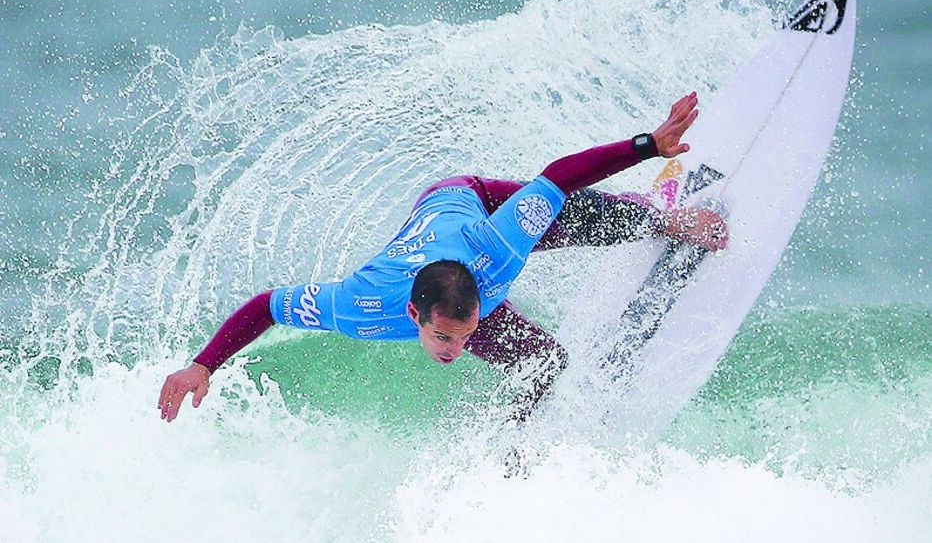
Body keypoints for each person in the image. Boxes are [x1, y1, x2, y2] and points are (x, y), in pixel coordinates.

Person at [158, 92, 726, 424]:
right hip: (440, 222)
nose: (454, 350)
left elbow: (557, 176)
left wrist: (648, 145)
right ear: (415, 319)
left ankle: (661, 217)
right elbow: (268, 306)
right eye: (445, 339)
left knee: (570, 216)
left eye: (461, 336)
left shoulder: (497, 252)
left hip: (473, 202)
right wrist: (204, 364)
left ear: (480, 309)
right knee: (545, 366)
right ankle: (513, 446)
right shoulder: (357, 306)